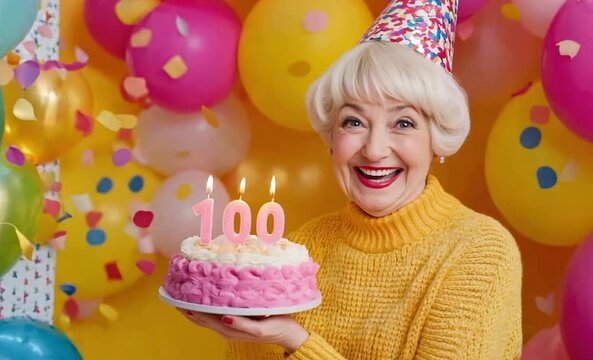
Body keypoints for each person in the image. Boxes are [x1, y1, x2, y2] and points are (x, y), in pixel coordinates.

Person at [178, 0, 523, 358]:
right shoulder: (297, 253)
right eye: (353, 122)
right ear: (331, 139)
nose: (374, 150)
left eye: (403, 123)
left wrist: (296, 342)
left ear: (436, 139)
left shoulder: (480, 253)